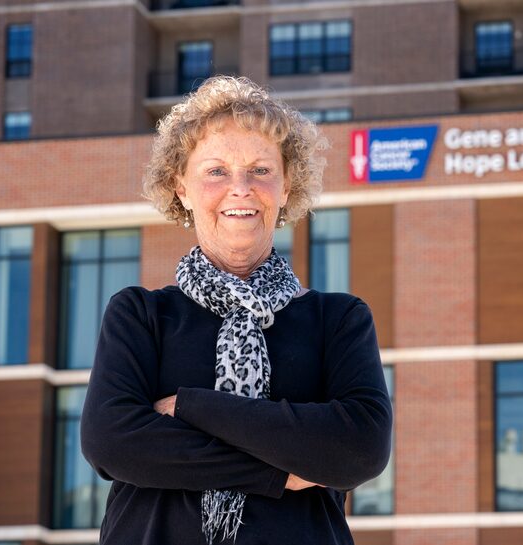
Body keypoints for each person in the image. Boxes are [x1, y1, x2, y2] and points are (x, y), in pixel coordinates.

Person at [80, 75, 393, 545]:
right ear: (180, 187)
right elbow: (112, 442)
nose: (240, 188)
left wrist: (192, 406)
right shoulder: (140, 315)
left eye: (261, 170)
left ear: (287, 187)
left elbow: (360, 449)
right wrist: (280, 473)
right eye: (216, 171)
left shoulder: (337, 321)